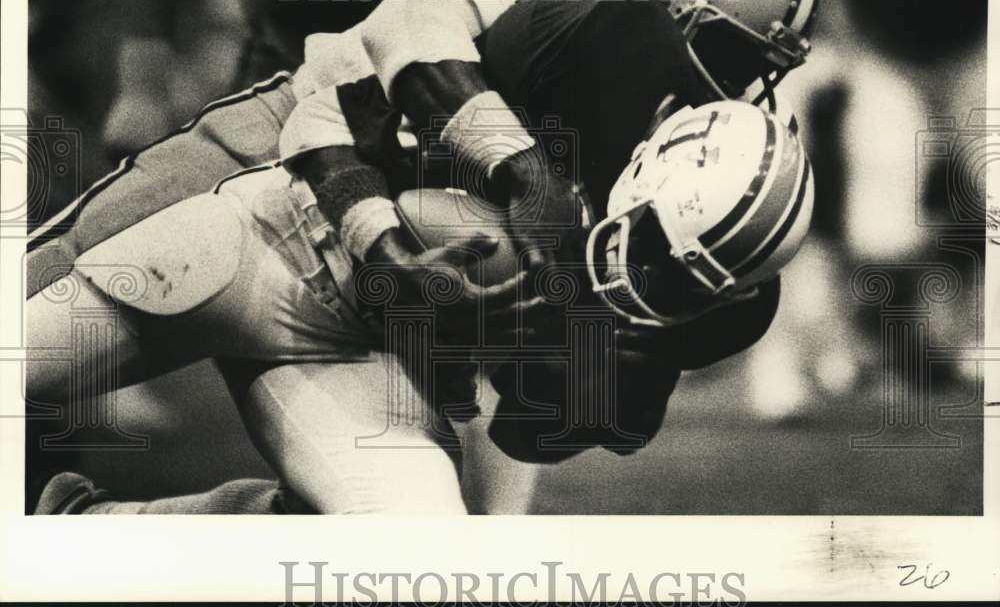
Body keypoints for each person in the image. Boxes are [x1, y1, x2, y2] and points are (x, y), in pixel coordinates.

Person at [29, 98, 813, 514]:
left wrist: (613, 369)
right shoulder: (540, 95)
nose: (642, 276)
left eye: (682, 278)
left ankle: (85, 531)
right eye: (647, 247)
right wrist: (404, 252)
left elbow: (525, 431)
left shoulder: (674, 308)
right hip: (270, 245)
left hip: (353, 350)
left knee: (412, 554)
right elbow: (329, 116)